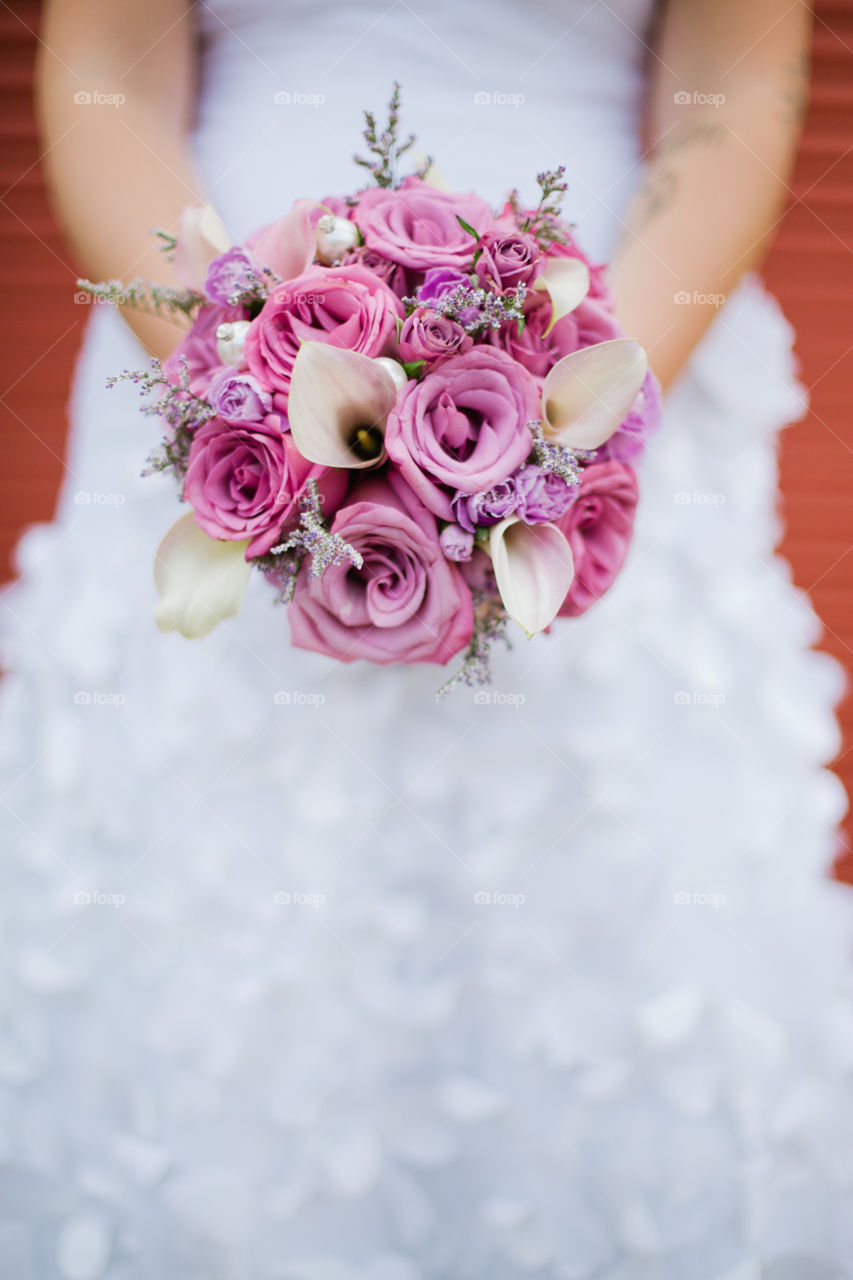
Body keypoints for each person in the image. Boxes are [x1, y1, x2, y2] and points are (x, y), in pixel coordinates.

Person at [0, 0, 849, 1275]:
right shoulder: (226, 376)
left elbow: (731, 101)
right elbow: (107, 84)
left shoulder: (582, 401)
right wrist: (244, 388)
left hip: (606, 344)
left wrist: (563, 422)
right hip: (208, 344)